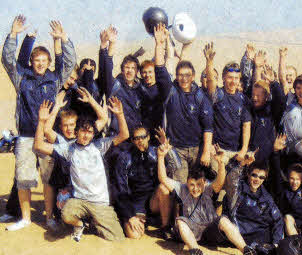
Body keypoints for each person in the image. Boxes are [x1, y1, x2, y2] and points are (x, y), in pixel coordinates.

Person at [2, 16, 76, 231]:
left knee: (47, 179)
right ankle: (25, 218)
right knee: (24, 179)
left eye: (44, 60)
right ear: (31, 62)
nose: (40, 63)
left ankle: (50, 218)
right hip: (25, 136)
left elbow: (70, 63)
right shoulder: (21, 78)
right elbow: (7, 59)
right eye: (37, 60)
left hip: (47, 137)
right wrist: (13, 35)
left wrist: (64, 39)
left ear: (49, 62)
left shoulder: (55, 79)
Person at [33, 97, 129, 241]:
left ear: (93, 134)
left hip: (100, 203)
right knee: (66, 214)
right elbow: (38, 146)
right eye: (82, 131)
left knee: (117, 238)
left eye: (89, 132)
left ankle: (94, 224)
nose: (86, 135)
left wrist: (120, 114)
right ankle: (80, 223)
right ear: (77, 132)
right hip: (79, 200)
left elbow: (124, 135)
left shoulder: (99, 146)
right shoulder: (68, 149)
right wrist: (41, 121)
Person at [156, 139, 256, 255]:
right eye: (192, 185)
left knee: (223, 219)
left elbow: (220, 182)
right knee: (180, 221)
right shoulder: (181, 188)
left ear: (204, 182)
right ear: (187, 182)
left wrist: (220, 163)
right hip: (191, 230)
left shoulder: (208, 188)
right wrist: (160, 156)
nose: (195, 188)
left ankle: (246, 249)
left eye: (199, 185)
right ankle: (195, 250)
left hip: (209, 229)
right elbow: (163, 178)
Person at [153, 24, 214, 181]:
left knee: (199, 186)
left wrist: (206, 152)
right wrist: (159, 44)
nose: (184, 78)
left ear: (193, 76)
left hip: (197, 149)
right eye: (180, 75)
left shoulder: (201, 96)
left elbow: (208, 127)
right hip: (176, 149)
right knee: (179, 189)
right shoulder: (170, 91)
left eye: (187, 75)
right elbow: (160, 68)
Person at [113, 127, 179, 239]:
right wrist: (130, 215)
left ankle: (165, 227)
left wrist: (168, 148)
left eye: (143, 137)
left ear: (148, 137)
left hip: (154, 201)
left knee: (164, 188)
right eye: (136, 138)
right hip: (135, 204)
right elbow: (120, 189)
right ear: (133, 141)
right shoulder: (125, 157)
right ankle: (145, 221)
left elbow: (177, 166)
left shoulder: (156, 152)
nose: (140, 141)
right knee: (134, 235)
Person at [222, 151, 285, 252]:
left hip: (260, 239)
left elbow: (278, 220)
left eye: (261, 177)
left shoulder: (266, 197)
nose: (257, 180)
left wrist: (276, 244)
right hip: (239, 237)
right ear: (248, 174)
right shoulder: (237, 190)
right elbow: (231, 179)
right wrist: (243, 163)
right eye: (254, 175)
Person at [208, 56, 252, 173]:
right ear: (223, 78)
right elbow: (211, 82)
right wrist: (210, 63)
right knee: (218, 187)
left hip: (235, 153)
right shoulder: (218, 95)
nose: (233, 81)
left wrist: (243, 149)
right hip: (218, 150)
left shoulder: (243, 100)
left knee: (233, 189)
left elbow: (246, 126)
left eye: (236, 78)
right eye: (230, 77)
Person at [272, 134, 302, 237]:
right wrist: (275, 152)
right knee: (288, 217)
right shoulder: (283, 190)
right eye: (292, 178)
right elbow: (275, 173)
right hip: (290, 227)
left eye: (298, 179)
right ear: (288, 178)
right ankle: (296, 247)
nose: (294, 182)